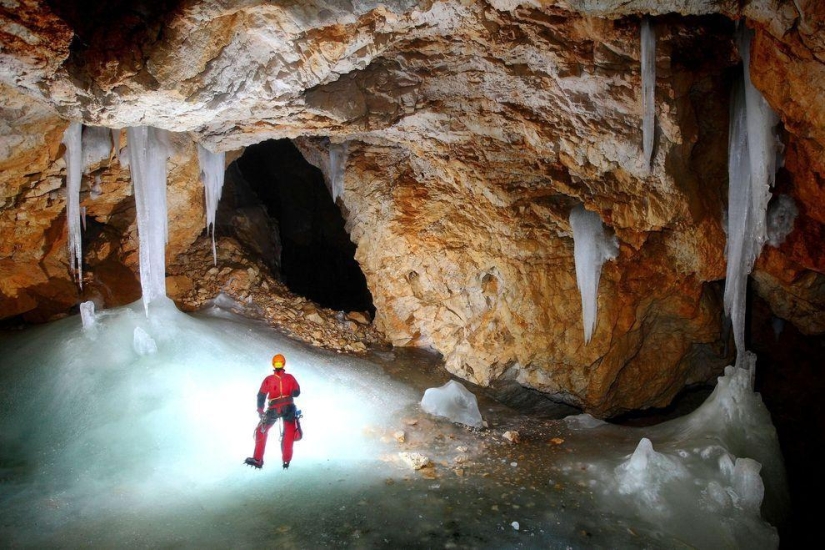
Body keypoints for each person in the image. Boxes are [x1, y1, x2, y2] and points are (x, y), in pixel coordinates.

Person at [244, 353, 301, 470]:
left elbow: (261, 395)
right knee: (289, 435)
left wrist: (260, 410)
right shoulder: (290, 377)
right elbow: (297, 392)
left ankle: (258, 459)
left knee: (261, 431)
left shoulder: (269, 379)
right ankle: (286, 460)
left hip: (274, 408)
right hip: (289, 407)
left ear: (274, 365)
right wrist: (292, 392)